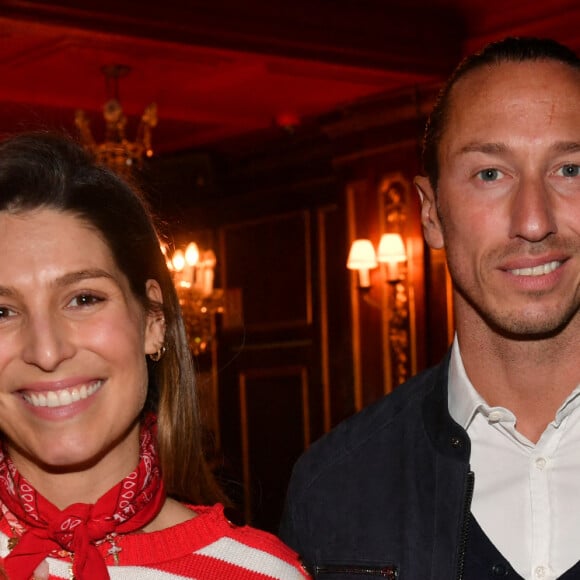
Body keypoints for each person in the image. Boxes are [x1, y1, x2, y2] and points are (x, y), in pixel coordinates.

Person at [279, 36, 580, 579]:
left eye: (571, 170)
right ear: (431, 214)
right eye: (490, 174)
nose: (534, 221)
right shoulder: (335, 488)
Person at [0, 132, 310, 580]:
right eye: (3, 310)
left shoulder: (259, 574)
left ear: (153, 321)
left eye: (84, 299)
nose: (47, 352)